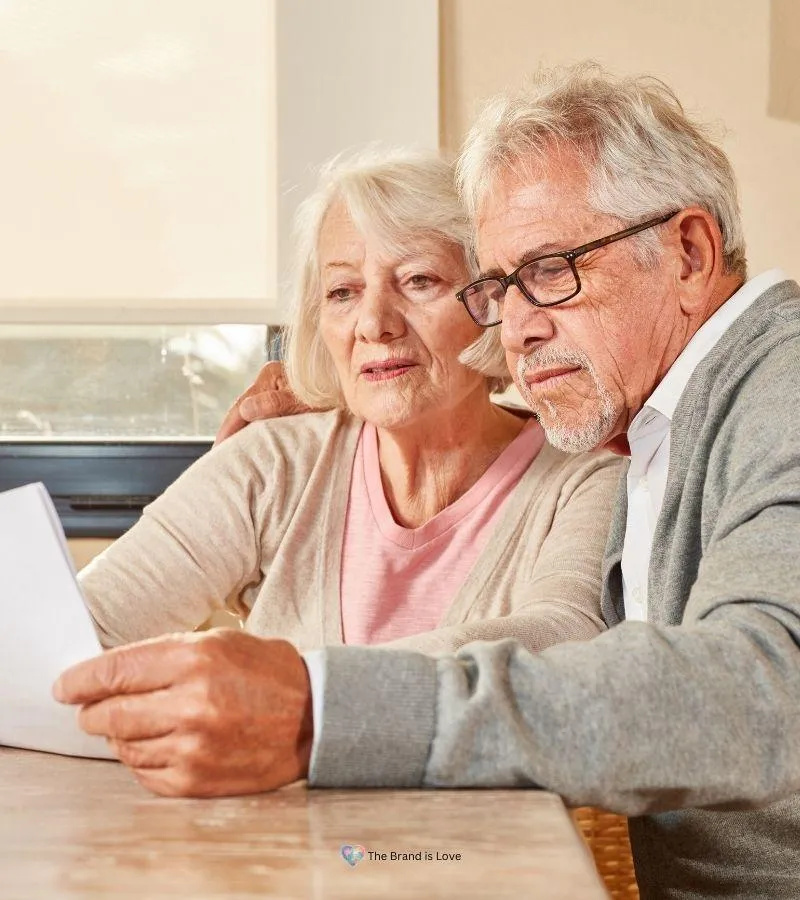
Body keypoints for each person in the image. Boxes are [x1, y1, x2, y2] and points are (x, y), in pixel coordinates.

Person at [56, 64, 800, 898]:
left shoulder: (780, 390)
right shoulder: (661, 430)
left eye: (553, 269)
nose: (518, 327)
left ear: (689, 251)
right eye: (501, 288)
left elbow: (763, 693)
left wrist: (320, 706)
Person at [63, 144, 619, 762]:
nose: (374, 323)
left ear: (492, 304)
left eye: (418, 280)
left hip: (463, 854)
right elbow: (75, 638)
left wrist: (296, 693)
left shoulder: (584, 477)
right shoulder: (274, 463)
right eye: (342, 292)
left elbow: (566, 645)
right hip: (272, 849)